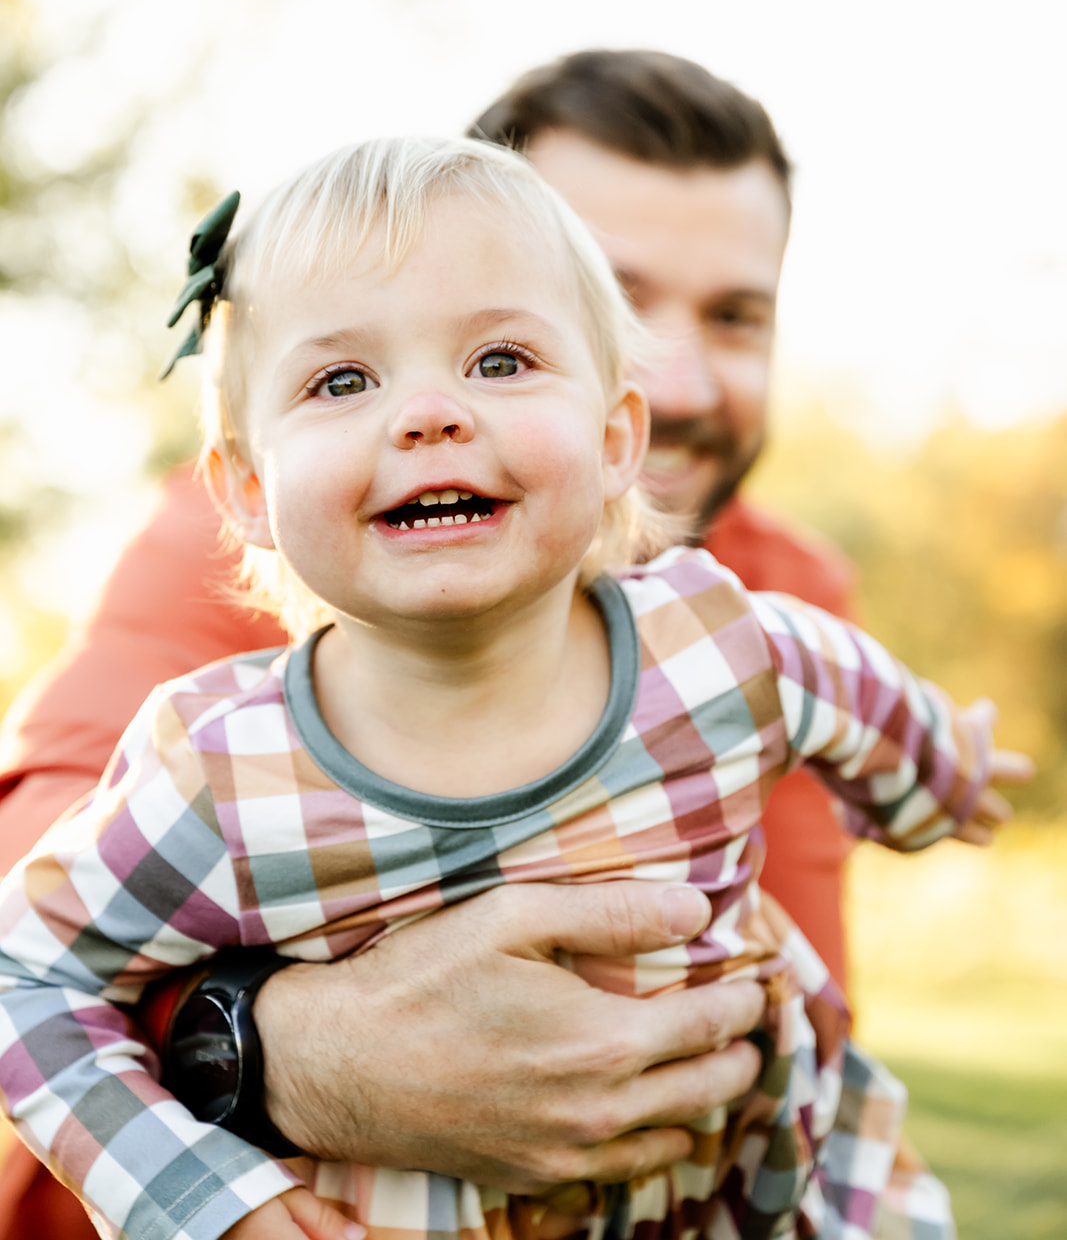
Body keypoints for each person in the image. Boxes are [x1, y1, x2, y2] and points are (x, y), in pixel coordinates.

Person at [0, 137, 1025, 1240]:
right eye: (342, 380)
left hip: (753, 1192)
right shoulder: (222, 777)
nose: (430, 412)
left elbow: (866, 704)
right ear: (247, 492)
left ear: (614, 435)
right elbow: (27, 978)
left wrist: (941, 779)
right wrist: (212, 1202)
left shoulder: (721, 646)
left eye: (498, 362)